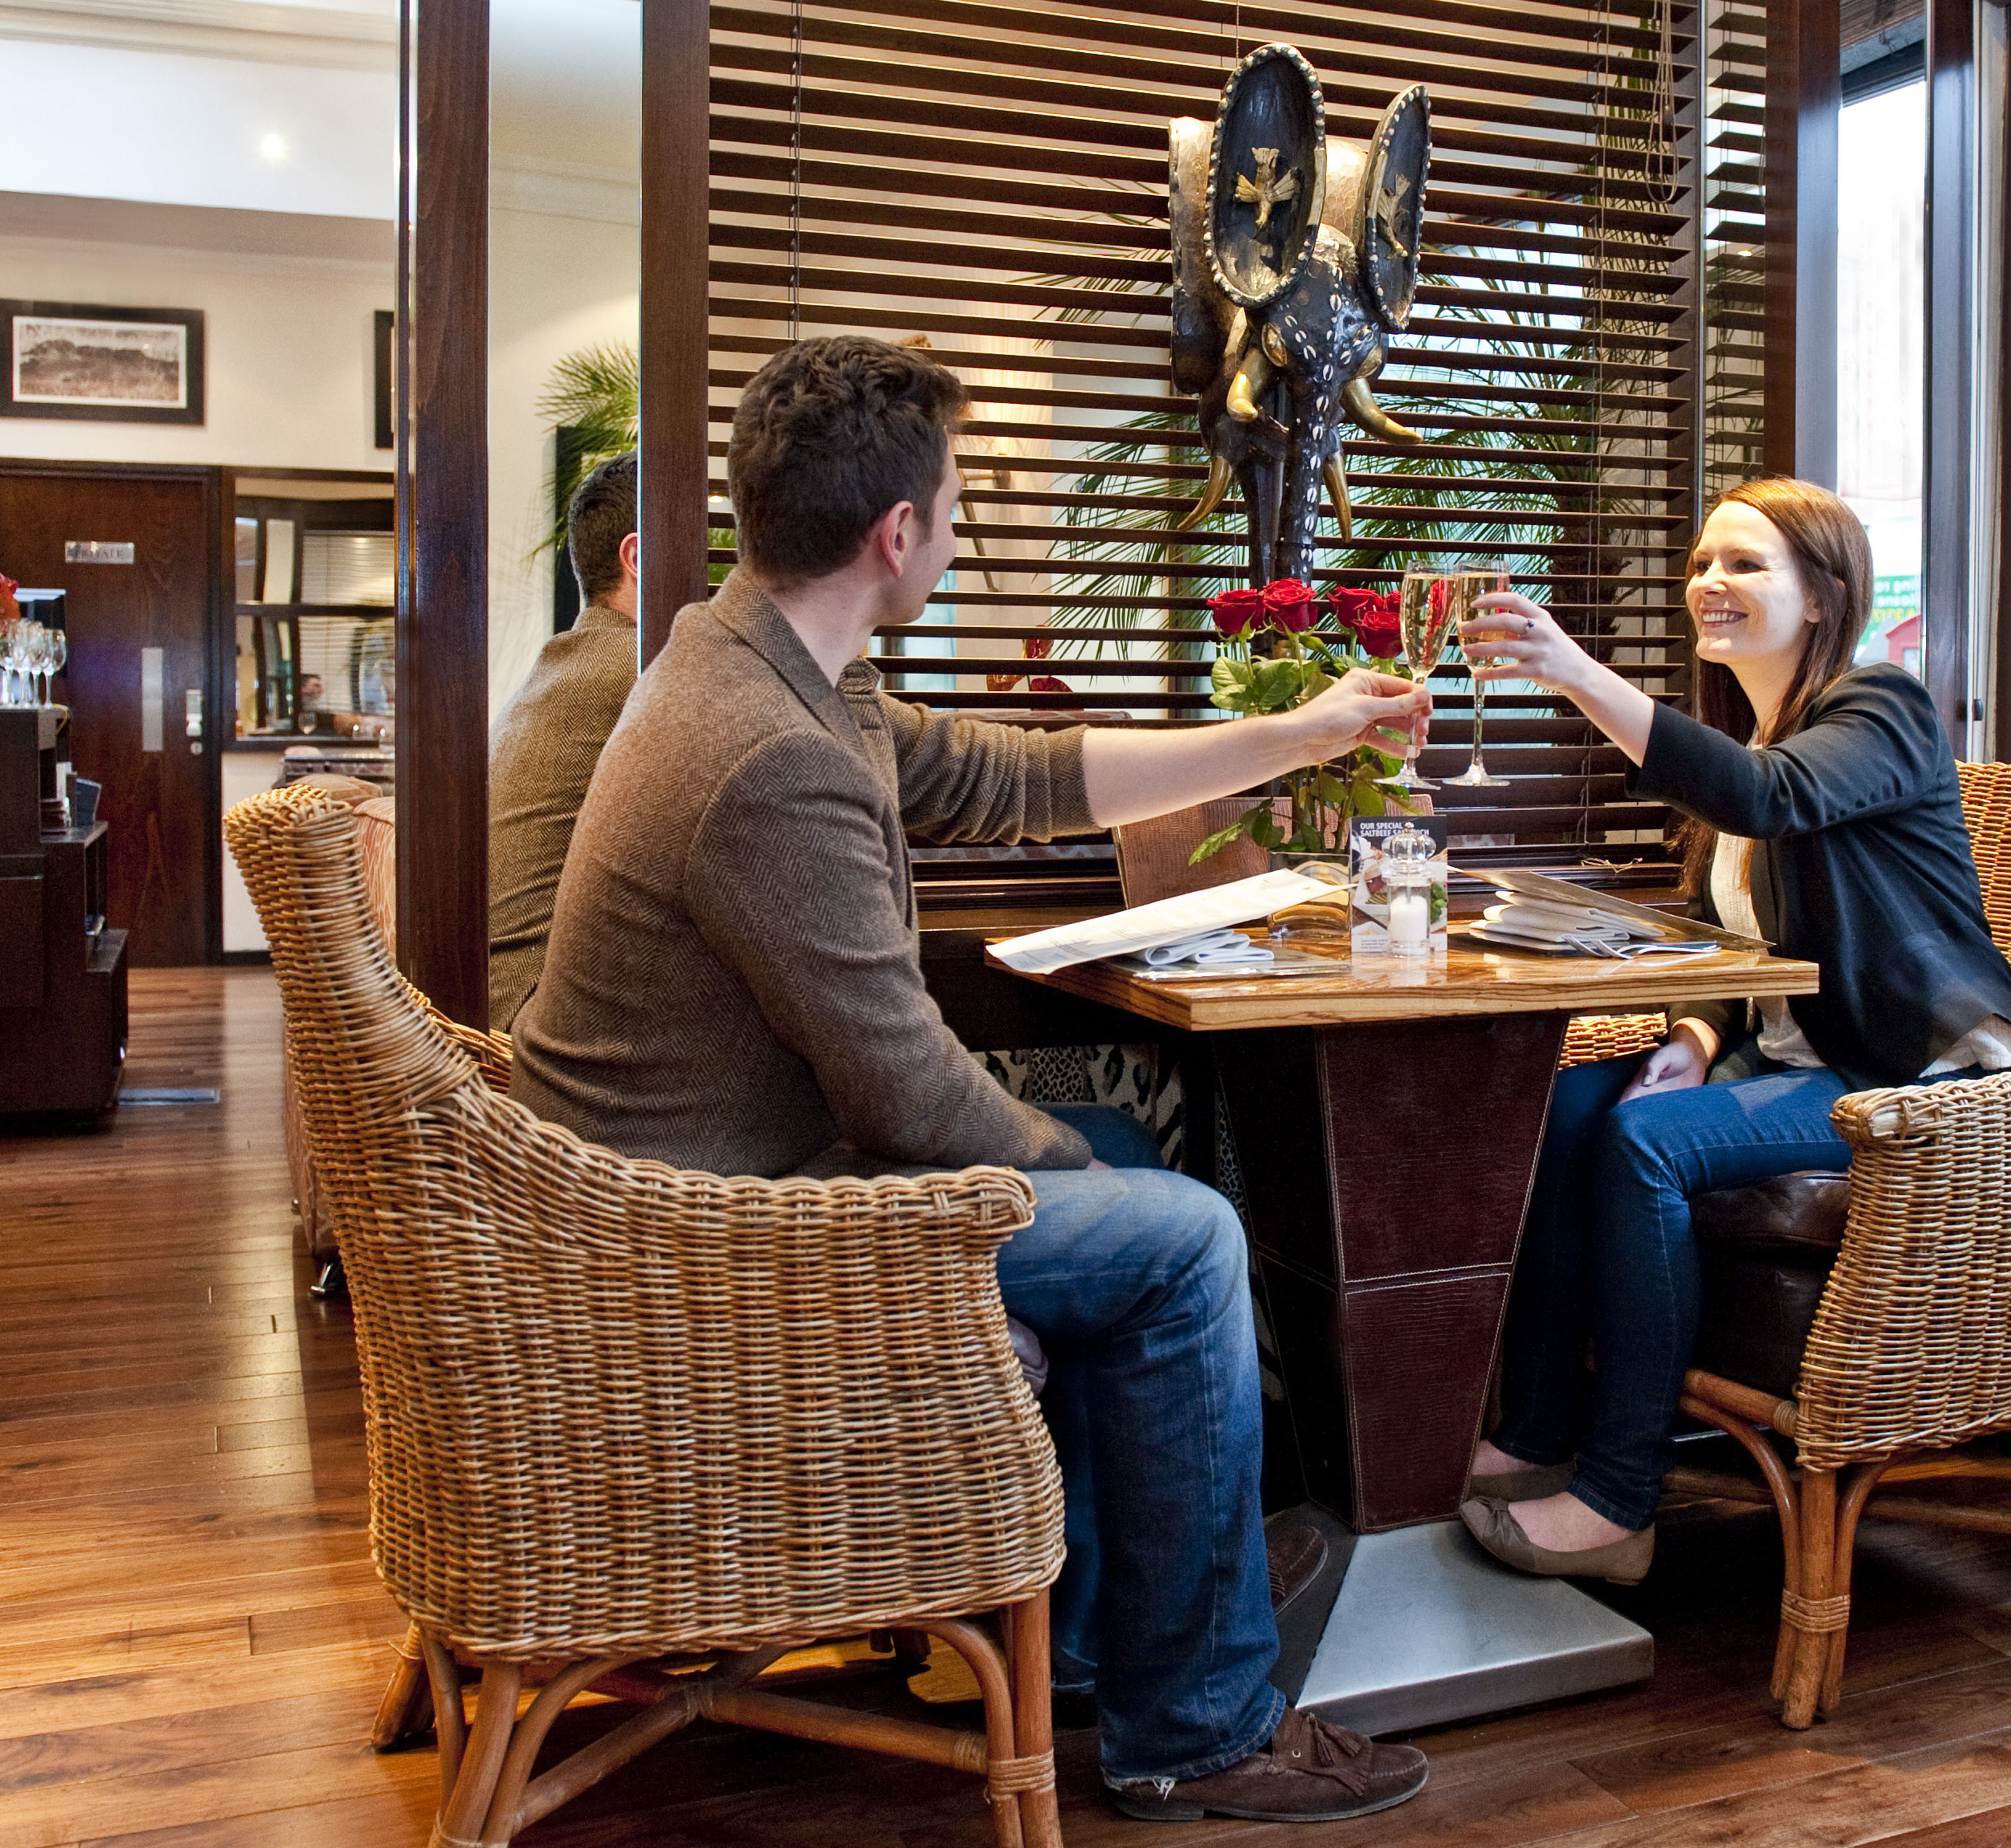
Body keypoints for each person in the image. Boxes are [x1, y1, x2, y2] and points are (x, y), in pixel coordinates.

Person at [511, 335, 1437, 1824]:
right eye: (955, 505)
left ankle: (1088, 1636)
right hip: (696, 1240)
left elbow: (1018, 775)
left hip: (688, 1177)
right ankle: (1195, 1723)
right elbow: (909, 1100)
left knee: (1109, 1179)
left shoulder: (764, 656)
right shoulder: (762, 752)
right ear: (899, 536)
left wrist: (1297, 738)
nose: (956, 526)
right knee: (1183, 1236)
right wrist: (1096, 1185)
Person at [1449, 478, 2011, 1585]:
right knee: (1563, 1105)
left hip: (1909, 1078)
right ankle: (1530, 1432)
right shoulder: (1756, 736)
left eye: (1746, 565)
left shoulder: (1882, 710)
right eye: (1704, 562)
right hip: (1795, 1059)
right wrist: (1694, 1037)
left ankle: (1621, 1501)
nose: (1711, 583)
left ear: (1824, 597)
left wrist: (1573, 671)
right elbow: (1741, 947)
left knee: (1642, 1142)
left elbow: (1769, 798)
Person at [486, 451, 642, 1030]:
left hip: (497, 1012)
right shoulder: (641, 674)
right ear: (641, 557)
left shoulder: (572, 663)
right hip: (537, 1036)